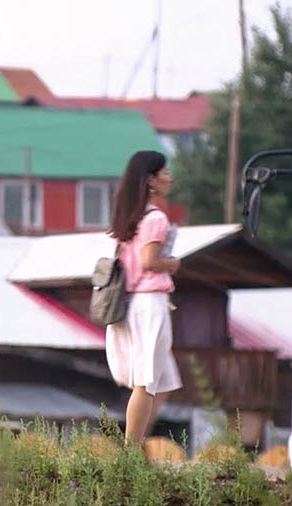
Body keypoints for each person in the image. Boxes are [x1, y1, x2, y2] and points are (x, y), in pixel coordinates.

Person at [106, 150, 183, 446]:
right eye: (164, 173)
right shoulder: (156, 218)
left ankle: (137, 440)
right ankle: (131, 451)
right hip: (150, 302)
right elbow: (150, 261)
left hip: (130, 303)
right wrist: (173, 264)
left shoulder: (129, 218)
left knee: (163, 382)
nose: (169, 178)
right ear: (150, 180)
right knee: (146, 384)